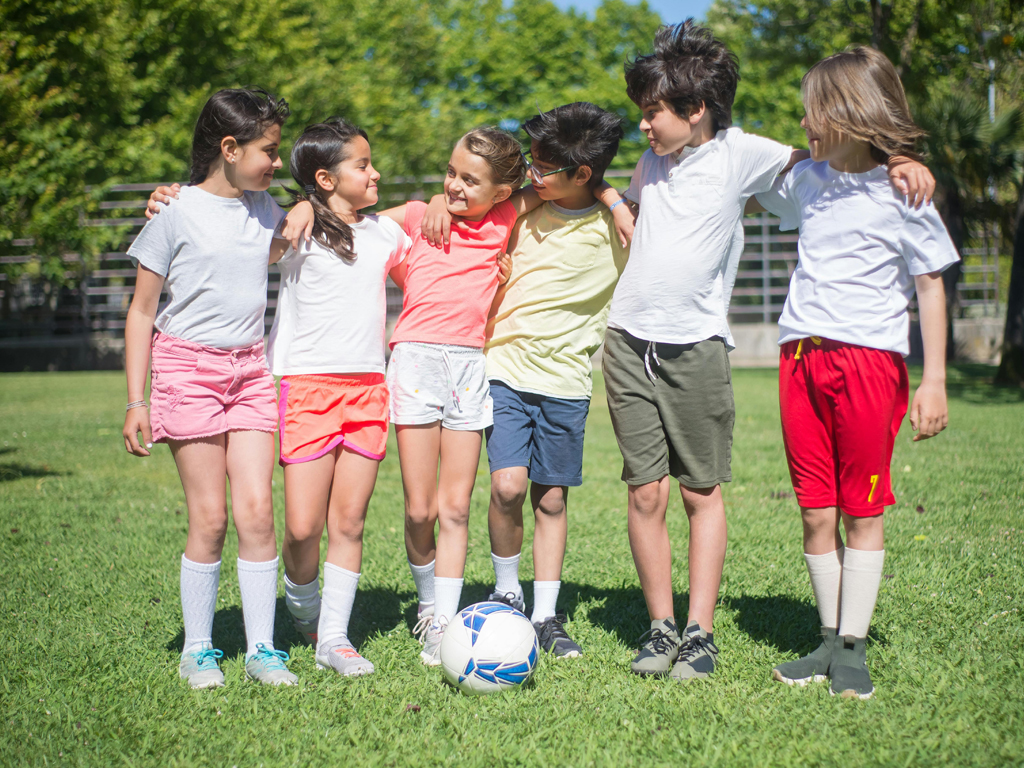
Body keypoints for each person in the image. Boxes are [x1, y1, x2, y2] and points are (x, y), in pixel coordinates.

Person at [605, 20, 936, 682]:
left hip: (701, 349)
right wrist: (614, 196)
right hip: (626, 342)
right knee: (645, 494)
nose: (644, 125)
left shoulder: (741, 153)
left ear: (696, 110)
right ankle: (661, 625)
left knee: (703, 492)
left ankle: (701, 633)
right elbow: (616, 197)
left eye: (653, 112)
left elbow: (821, 161)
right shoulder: (648, 164)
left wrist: (896, 158)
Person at [751, 46, 957, 699]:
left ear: (849, 113)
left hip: (870, 362)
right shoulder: (806, 179)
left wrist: (935, 381)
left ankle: (854, 649)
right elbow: (744, 162)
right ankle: (827, 636)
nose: (804, 123)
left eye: (814, 112)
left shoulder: (904, 191)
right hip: (799, 357)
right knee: (816, 511)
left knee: (860, 509)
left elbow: (930, 286)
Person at [123, 88, 297, 688]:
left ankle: (262, 651)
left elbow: (308, 217)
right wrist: (136, 402)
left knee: (257, 512)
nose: (276, 162)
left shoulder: (268, 207)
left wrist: (297, 210)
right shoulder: (172, 213)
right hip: (185, 370)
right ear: (229, 147)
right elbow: (142, 312)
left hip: (250, 371)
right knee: (211, 518)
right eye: (268, 151)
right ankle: (198, 650)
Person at [475, 102, 629, 658]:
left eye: (543, 168)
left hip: (566, 380)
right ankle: (506, 592)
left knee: (552, 500)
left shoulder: (621, 224)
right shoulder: (519, 211)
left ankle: (545, 615)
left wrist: (614, 199)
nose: (533, 176)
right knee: (507, 486)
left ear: (583, 174)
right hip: (504, 369)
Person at [267, 119, 412, 678]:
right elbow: (234, 217)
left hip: (369, 392)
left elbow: (419, 259)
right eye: (363, 165)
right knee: (303, 527)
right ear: (325, 179)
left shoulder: (382, 234)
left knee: (348, 523)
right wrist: (300, 207)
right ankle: (301, 603)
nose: (375, 173)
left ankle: (334, 638)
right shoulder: (292, 230)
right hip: (306, 389)